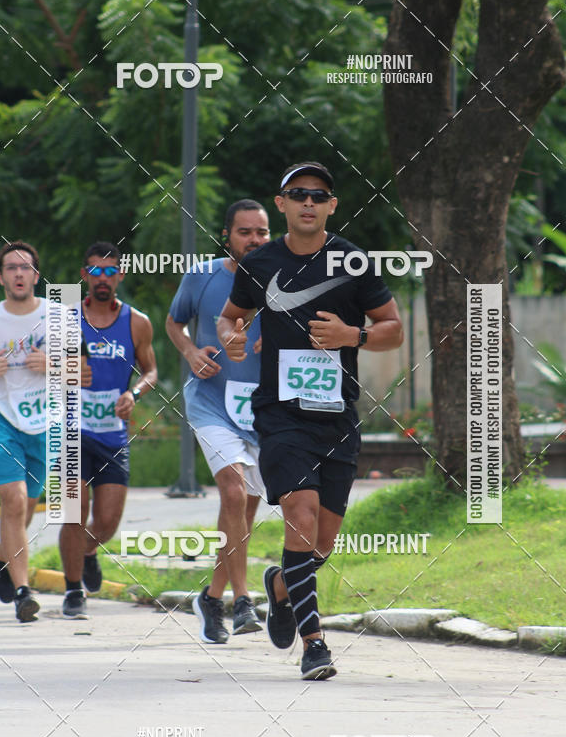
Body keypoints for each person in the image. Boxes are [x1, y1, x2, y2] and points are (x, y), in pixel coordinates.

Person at [217, 163, 403, 679]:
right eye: (297, 194)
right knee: (299, 513)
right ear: (281, 204)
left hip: (337, 416)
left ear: (331, 206)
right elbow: (231, 316)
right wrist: (232, 335)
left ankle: (280, 585)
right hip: (280, 414)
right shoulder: (261, 263)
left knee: (320, 543)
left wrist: (353, 336)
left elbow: (393, 330)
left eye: (318, 196)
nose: (308, 202)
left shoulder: (353, 261)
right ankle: (315, 643)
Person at [166, 200, 270, 643]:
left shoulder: (283, 277)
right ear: (227, 235)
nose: (255, 240)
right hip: (210, 401)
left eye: (262, 232)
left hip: (262, 408)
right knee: (232, 488)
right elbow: (174, 324)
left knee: (244, 508)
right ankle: (243, 601)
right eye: (245, 232)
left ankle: (211, 597)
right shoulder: (203, 275)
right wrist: (191, 353)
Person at [58, 242, 157, 619]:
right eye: (95, 272)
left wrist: (133, 392)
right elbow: (41, 366)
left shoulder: (137, 322)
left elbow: (151, 370)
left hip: (112, 433)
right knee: (74, 512)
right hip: (70, 429)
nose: (103, 278)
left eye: (110, 271)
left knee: (108, 522)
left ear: (120, 275)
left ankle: (85, 553)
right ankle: (72, 592)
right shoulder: (65, 317)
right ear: (85, 276)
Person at [0, 241, 48, 622]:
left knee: (26, 509)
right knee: (14, 500)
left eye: (26, 267)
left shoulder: (59, 316)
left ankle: (2, 557)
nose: (19, 273)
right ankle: (23, 593)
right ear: (1, 276)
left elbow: (83, 370)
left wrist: (52, 363)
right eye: (11, 267)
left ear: (36, 275)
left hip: (42, 422)